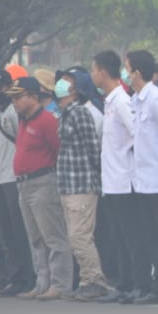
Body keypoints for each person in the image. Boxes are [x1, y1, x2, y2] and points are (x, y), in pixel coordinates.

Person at [8, 77, 73, 300]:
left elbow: (58, 150)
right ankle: (42, 283)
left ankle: (60, 284)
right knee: (36, 237)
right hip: (24, 184)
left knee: (53, 236)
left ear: (33, 97)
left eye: (18, 97)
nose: (14, 102)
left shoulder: (47, 121)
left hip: (43, 182)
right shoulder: (24, 120)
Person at [125, 50, 158, 304]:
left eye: (128, 69)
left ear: (137, 72)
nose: (126, 74)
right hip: (142, 180)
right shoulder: (135, 100)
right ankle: (154, 283)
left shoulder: (156, 99)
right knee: (149, 236)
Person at [53, 68, 108, 300]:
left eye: (68, 81)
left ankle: (94, 280)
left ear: (77, 89)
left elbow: (93, 149)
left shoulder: (80, 113)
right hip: (67, 185)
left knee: (79, 236)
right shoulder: (65, 113)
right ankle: (87, 280)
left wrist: (93, 178)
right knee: (75, 235)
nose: (62, 85)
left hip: (82, 184)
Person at [88, 51, 136, 303]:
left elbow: (138, 135)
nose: (92, 74)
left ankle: (134, 284)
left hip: (123, 180)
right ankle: (124, 283)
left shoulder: (121, 101)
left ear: (103, 72)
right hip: (112, 181)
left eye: (93, 69)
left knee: (129, 237)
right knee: (118, 236)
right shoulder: (109, 101)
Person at [0, 70, 36, 296]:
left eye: (0, 88)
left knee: (19, 230)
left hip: (14, 176)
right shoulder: (0, 112)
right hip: (1, 175)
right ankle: (16, 275)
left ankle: (28, 275)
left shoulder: (13, 111)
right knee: (6, 230)